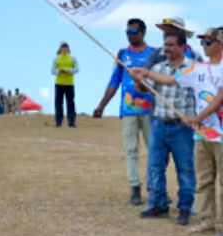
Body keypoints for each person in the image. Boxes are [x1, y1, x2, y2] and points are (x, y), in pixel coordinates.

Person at [129, 31, 201, 225]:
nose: (166, 49)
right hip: (160, 124)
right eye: (165, 45)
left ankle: (185, 208)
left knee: (185, 170)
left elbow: (173, 81)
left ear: (183, 46)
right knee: (155, 167)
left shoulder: (193, 68)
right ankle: (158, 205)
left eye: (171, 45)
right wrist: (138, 80)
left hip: (182, 128)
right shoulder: (158, 67)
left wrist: (147, 73)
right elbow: (144, 89)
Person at [94, 18, 159, 205]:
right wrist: (102, 105)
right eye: (127, 32)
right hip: (129, 110)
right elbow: (114, 81)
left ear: (143, 33)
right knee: (131, 150)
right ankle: (135, 187)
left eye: (134, 32)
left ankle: (155, 188)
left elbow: (162, 79)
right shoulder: (122, 55)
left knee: (154, 151)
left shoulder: (153, 54)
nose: (131, 36)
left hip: (150, 110)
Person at [169, 27, 223, 236]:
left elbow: (220, 98)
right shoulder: (199, 68)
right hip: (203, 135)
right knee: (204, 180)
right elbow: (172, 79)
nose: (204, 45)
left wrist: (196, 118)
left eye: (208, 41)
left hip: (220, 133)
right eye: (202, 42)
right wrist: (145, 74)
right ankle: (207, 220)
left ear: (220, 43)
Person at [52, 42, 79, 128]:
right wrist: (59, 71)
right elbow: (52, 71)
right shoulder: (56, 59)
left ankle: (71, 121)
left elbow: (77, 69)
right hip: (59, 83)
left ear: (68, 49)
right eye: (62, 48)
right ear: (60, 49)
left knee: (70, 103)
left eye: (65, 48)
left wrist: (69, 70)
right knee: (58, 103)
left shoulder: (72, 58)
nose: (64, 49)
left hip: (69, 83)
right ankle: (58, 121)